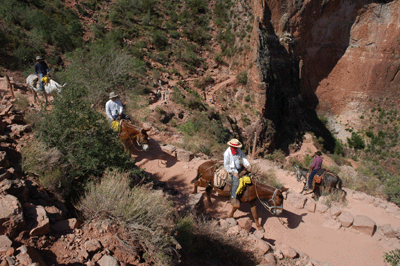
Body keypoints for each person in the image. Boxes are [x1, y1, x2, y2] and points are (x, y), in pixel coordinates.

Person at [224, 138, 252, 207]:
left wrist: (248, 164)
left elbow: (243, 157)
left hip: (240, 167)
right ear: (232, 146)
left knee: (251, 176)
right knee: (236, 183)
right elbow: (226, 165)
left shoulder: (238, 150)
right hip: (232, 169)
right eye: (235, 147)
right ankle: (233, 197)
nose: (236, 148)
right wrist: (233, 172)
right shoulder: (227, 153)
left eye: (237, 147)